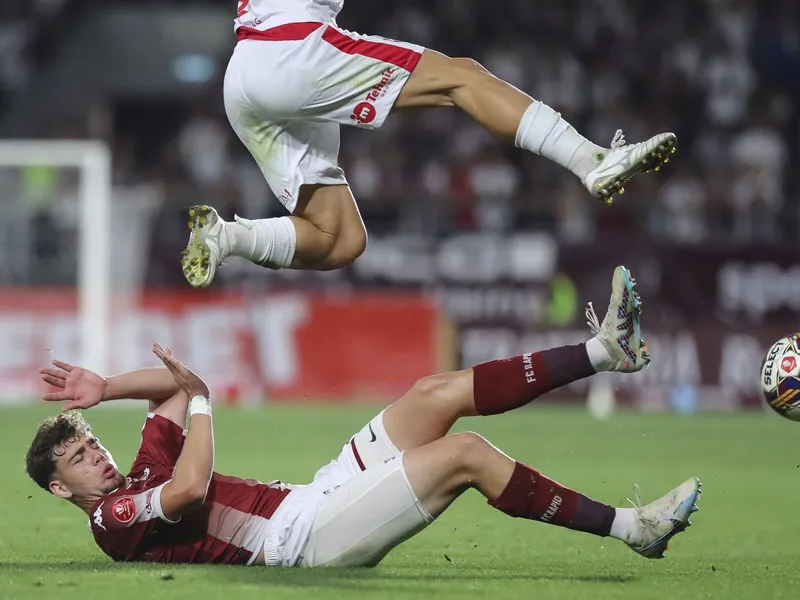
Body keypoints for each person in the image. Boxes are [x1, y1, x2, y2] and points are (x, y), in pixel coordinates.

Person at [26, 266, 701, 567]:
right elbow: (192, 485)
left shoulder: (139, 469)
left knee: (433, 394)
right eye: (80, 458)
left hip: (315, 496)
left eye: (90, 443)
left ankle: (604, 350)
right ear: (62, 488)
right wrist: (201, 396)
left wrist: (109, 383)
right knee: (465, 452)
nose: (97, 456)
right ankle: (631, 528)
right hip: (305, 544)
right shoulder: (110, 520)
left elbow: (168, 393)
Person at [179, 1, 678, 287]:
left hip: (243, 74)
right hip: (294, 50)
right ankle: (592, 160)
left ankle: (229, 238)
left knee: (340, 239)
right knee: (460, 77)